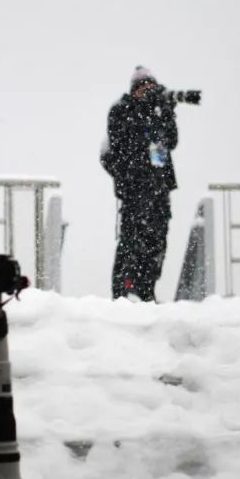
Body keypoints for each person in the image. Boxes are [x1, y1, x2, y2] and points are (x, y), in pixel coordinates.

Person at [100, 66, 179, 302]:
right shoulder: (121, 109)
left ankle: (146, 290)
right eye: (144, 87)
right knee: (132, 242)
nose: (149, 91)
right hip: (135, 189)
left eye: (152, 87)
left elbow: (171, 142)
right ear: (134, 90)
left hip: (159, 188)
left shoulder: (157, 111)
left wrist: (166, 112)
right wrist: (144, 110)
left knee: (157, 242)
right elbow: (122, 142)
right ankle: (125, 292)